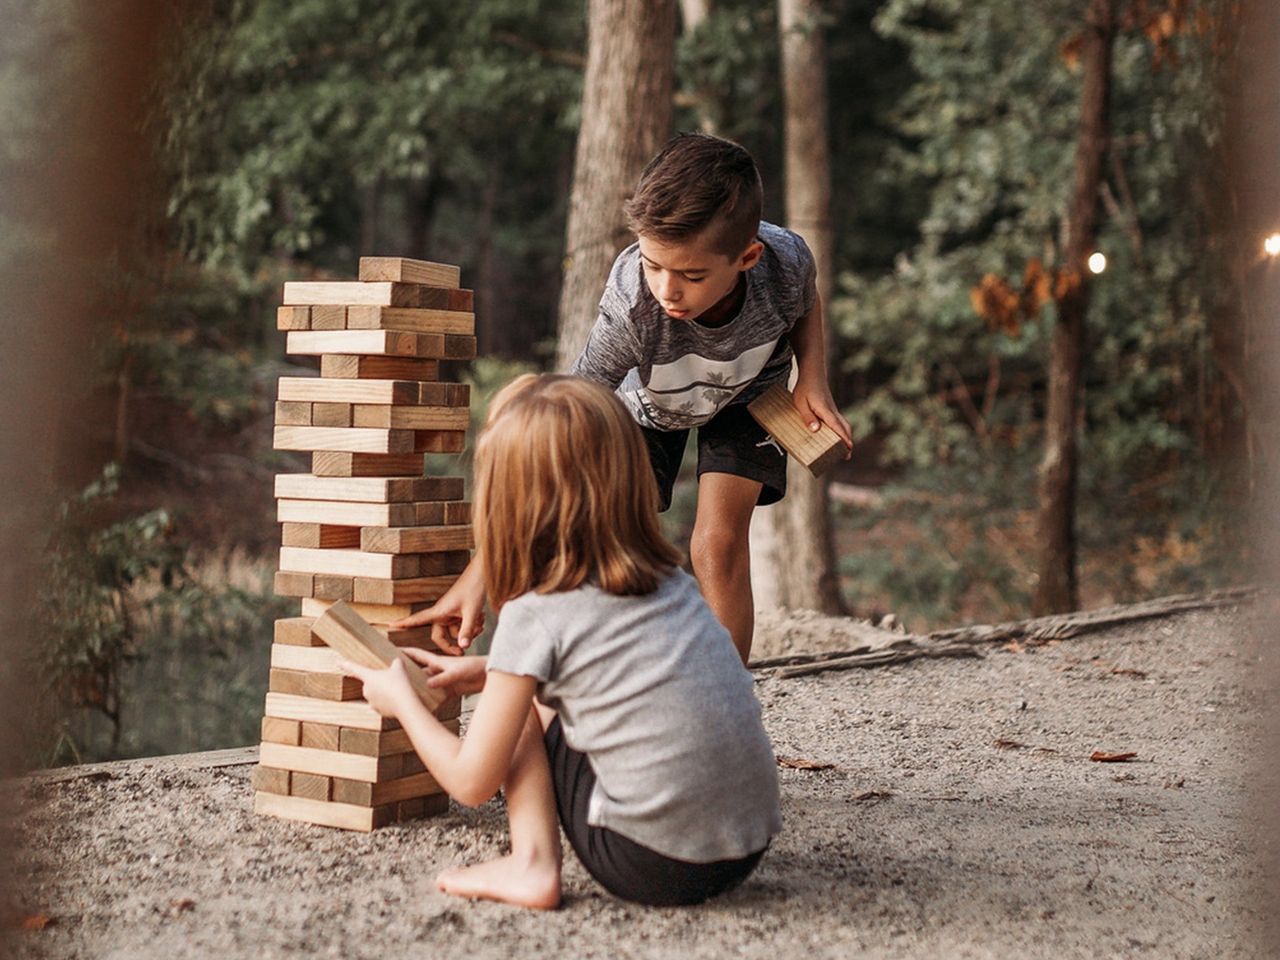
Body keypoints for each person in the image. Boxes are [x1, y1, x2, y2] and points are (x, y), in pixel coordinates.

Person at [402, 132, 853, 663]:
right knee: (611, 535)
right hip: (646, 408)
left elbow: (805, 304)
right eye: (653, 264)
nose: (668, 289)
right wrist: (482, 573)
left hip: (747, 396)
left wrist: (812, 381)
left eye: (692, 274)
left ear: (747, 257)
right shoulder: (632, 311)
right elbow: (562, 424)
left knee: (717, 543)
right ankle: (617, 682)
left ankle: (725, 699)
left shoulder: (786, 262)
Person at [338, 375, 782, 910]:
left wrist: (402, 701)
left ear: (508, 503)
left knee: (523, 711)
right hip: (744, 848)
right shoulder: (670, 582)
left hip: (653, 864)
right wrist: (489, 671)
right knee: (525, 695)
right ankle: (538, 855)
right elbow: (624, 673)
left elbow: (471, 781)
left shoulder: (537, 613)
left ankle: (531, 866)